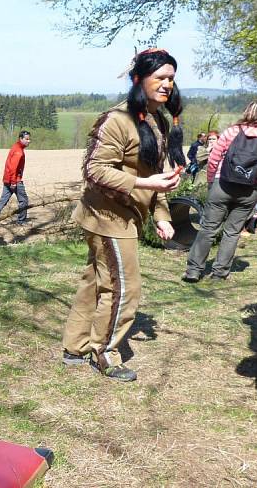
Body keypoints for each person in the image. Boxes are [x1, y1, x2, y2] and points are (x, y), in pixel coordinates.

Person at [62, 48, 185, 382]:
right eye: (160, 77)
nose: (167, 84)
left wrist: (162, 214)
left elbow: (154, 172)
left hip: (126, 214)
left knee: (96, 282)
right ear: (138, 79)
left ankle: (75, 347)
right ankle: (105, 353)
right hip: (107, 216)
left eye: (171, 78)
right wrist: (142, 182)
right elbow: (95, 170)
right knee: (124, 288)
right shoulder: (117, 120)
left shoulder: (157, 119)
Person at [182, 100, 257, 282]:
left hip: (223, 185)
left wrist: (211, 182)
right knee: (232, 233)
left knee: (208, 228)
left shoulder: (231, 132)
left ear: (247, 112)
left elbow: (213, 159)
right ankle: (220, 273)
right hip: (249, 192)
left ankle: (193, 271)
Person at [0, 130, 31, 227]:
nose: (29, 141)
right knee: (24, 200)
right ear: (21, 139)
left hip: (7, 179)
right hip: (15, 180)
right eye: (27, 139)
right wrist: (13, 182)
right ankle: (21, 220)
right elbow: (13, 167)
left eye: (29, 139)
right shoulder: (18, 151)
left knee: (3, 200)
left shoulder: (16, 147)